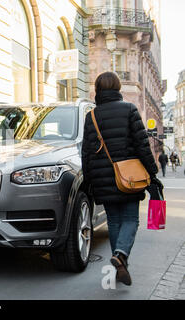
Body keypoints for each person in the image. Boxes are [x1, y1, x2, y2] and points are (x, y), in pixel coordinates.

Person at [81, 72, 161, 286]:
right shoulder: (129, 109)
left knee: (115, 221)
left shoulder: (92, 116)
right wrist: (152, 173)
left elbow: (86, 152)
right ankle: (121, 255)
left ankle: (120, 263)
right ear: (117, 88)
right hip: (129, 177)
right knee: (131, 220)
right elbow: (142, 145)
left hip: (102, 178)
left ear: (98, 90)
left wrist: (89, 181)